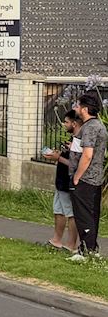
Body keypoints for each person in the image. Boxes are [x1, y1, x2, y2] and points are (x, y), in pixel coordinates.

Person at [69, 93, 106, 261]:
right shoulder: (97, 125)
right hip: (94, 177)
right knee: (91, 214)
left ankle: (86, 249)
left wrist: (77, 176)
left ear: (84, 109)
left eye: (77, 106)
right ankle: (91, 248)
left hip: (86, 178)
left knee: (83, 214)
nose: (75, 108)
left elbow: (88, 155)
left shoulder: (90, 127)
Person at [43, 111, 81, 252]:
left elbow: (75, 164)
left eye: (66, 122)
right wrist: (59, 154)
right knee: (58, 210)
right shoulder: (73, 139)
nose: (64, 124)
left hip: (68, 181)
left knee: (71, 213)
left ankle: (71, 244)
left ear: (74, 123)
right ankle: (56, 240)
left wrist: (58, 158)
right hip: (61, 181)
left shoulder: (80, 140)